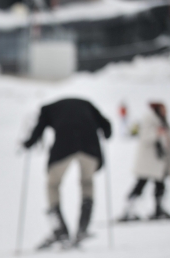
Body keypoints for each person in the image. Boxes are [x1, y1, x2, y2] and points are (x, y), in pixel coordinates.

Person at [22, 98, 112, 249]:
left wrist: (29, 143)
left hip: (64, 147)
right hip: (90, 147)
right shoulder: (87, 104)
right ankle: (83, 228)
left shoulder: (47, 109)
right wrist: (107, 133)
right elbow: (106, 125)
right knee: (87, 182)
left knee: (52, 184)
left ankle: (60, 229)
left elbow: (39, 129)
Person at [119, 102, 170, 221]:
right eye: (163, 108)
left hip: (158, 161)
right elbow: (146, 136)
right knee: (141, 184)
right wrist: (158, 133)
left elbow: (167, 135)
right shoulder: (149, 119)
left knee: (159, 185)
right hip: (148, 161)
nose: (165, 111)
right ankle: (128, 210)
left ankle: (158, 209)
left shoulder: (161, 120)